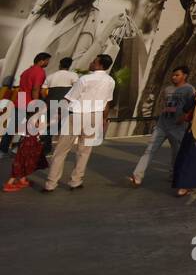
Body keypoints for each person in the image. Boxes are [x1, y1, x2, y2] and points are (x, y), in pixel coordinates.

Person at [0, 0, 130, 87]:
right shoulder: (45, 2)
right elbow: (18, 52)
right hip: (8, 94)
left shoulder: (88, 16)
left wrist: (107, 30)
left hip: (36, 104)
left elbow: (78, 69)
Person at [42, 53, 115, 192]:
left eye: (94, 61)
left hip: (76, 115)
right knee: (84, 151)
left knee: (61, 150)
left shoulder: (85, 79)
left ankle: (51, 184)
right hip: (94, 116)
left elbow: (70, 98)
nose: (91, 63)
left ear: (99, 64)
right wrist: (103, 119)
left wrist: (57, 113)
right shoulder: (111, 81)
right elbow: (107, 103)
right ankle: (75, 181)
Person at [129, 65, 195, 186]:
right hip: (162, 126)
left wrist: (184, 117)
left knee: (177, 152)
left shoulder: (189, 89)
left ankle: (174, 173)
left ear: (184, 76)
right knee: (149, 150)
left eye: (177, 75)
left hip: (178, 127)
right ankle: (137, 175)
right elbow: (166, 105)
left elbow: (191, 106)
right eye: (173, 75)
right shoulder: (167, 89)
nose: (174, 77)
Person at [0, 52, 49, 155]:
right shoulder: (40, 72)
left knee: (13, 126)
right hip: (29, 101)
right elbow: (35, 89)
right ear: (41, 61)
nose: (48, 62)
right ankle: (16, 149)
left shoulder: (26, 71)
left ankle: (2, 150)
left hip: (20, 99)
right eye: (47, 60)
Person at [41, 57, 78, 155]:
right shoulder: (73, 76)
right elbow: (76, 90)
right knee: (64, 127)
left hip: (51, 102)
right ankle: (60, 149)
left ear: (60, 64)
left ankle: (46, 147)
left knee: (51, 125)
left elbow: (43, 91)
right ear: (69, 65)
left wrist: (47, 100)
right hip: (66, 104)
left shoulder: (51, 76)